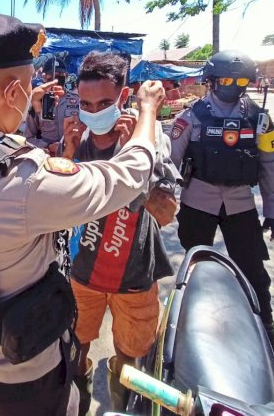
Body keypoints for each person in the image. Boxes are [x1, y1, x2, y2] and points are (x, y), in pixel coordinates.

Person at [0, 12, 166, 416]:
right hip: (22, 381)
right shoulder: (24, 180)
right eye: (30, 84)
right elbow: (130, 175)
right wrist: (149, 113)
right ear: (15, 91)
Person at [169, 50, 274, 386]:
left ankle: (271, 350)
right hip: (198, 202)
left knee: (255, 277)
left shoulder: (259, 120)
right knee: (193, 273)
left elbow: (271, 166)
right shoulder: (191, 118)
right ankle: (182, 345)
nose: (232, 86)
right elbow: (169, 162)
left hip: (240, 204)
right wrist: (155, 201)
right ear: (212, 81)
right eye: (226, 80)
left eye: (240, 81)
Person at [58, 51, 179, 414]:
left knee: (131, 359)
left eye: (105, 102)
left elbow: (166, 214)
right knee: (75, 350)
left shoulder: (151, 140)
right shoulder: (76, 143)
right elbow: (61, 208)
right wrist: (66, 153)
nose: (95, 111)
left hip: (135, 276)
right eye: (87, 103)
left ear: (124, 98)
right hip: (83, 275)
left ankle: (121, 395)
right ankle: (78, 399)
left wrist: (135, 162)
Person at [24, 58, 80, 154]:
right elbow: (28, 138)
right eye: (52, 75)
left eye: (60, 74)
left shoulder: (78, 100)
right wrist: (47, 146)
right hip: (48, 155)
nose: (56, 79)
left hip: (75, 153)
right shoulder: (37, 102)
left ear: (66, 76)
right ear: (44, 77)